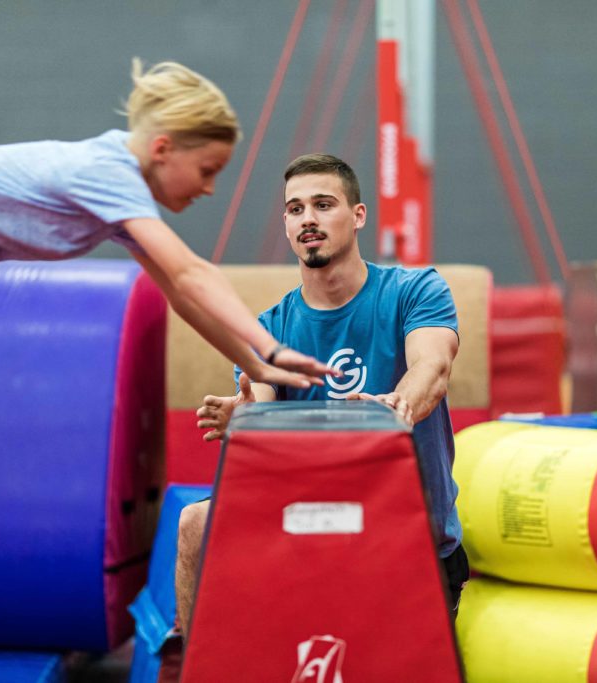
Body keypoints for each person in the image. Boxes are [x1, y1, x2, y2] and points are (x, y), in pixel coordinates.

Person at [0, 59, 330, 387]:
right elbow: (191, 272)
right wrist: (271, 345)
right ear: (162, 149)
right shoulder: (109, 172)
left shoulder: (120, 195)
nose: (211, 188)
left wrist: (256, 365)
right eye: (207, 170)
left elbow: (181, 295)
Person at [176, 153, 468, 638]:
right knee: (194, 523)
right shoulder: (268, 329)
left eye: (323, 204)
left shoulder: (414, 290)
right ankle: (187, 658)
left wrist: (397, 407)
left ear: (357, 216)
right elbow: (263, 397)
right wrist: (247, 415)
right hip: (311, 538)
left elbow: (431, 367)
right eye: (295, 209)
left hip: (406, 539)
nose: (307, 218)